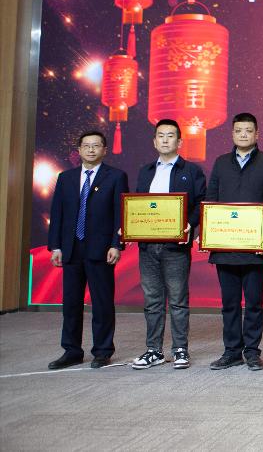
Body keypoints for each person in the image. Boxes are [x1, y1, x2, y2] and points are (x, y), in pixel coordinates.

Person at [205, 112, 263, 371]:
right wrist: (208, 232)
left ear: (257, 134)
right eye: (239, 131)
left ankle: (252, 351)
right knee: (229, 303)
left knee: (253, 303)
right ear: (232, 134)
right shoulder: (221, 163)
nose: (243, 135)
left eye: (248, 130)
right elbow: (211, 200)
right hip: (225, 244)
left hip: (254, 245)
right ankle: (231, 351)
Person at [47, 131, 129, 370]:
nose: (91, 150)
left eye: (96, 146)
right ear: (79, 150)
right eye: (86, 146)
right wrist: (56, 246)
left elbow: (120, 213)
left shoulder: (116, 176)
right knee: (71, 304)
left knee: (102, 303)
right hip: (71, 249)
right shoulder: (66, 178)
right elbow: (58, 213)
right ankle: (71, 351)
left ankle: (102, 351)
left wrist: (116, 244)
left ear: (105, 150)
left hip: (102, 250)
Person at [130, 119, 206, 370]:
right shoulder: (146, 171)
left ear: (179, 141)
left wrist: (190, 224)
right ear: (154, 141)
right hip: (148, 246)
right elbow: (137, 205)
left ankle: (180, 349)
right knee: (152, 300)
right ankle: (154, 350)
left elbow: (201, 202)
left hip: (176, 247)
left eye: (170, 135)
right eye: (160, 135)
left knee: (177, 299)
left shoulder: (191, 170)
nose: (165, 140)